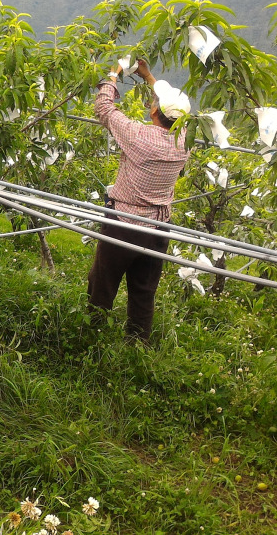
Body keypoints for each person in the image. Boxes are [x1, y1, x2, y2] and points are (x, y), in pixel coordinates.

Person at [87, 58, 191, 342]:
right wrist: (148, 77)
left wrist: (114, 73)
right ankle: (138, 345)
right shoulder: (183, 140)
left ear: (154, 110)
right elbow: (175, 113)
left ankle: (92, 337)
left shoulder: (138, 136)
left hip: (123, 224)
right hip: (159, 228)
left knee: (102, 285)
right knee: (143, 293)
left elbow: (104, 108)